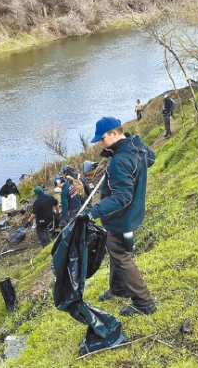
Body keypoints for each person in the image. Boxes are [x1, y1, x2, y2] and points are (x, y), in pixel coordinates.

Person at [82, 117, 157, 317]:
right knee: (114, 249)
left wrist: (92, 212)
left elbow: (122, 197)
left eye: (103, 138)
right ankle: (118, 289)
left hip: (122, 216)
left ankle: (144, 302)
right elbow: (151, 159)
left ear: (115, 134)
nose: (100, 142)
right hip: (134, 211)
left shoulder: (120, 160)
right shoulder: (136, 146)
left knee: (121, 255)